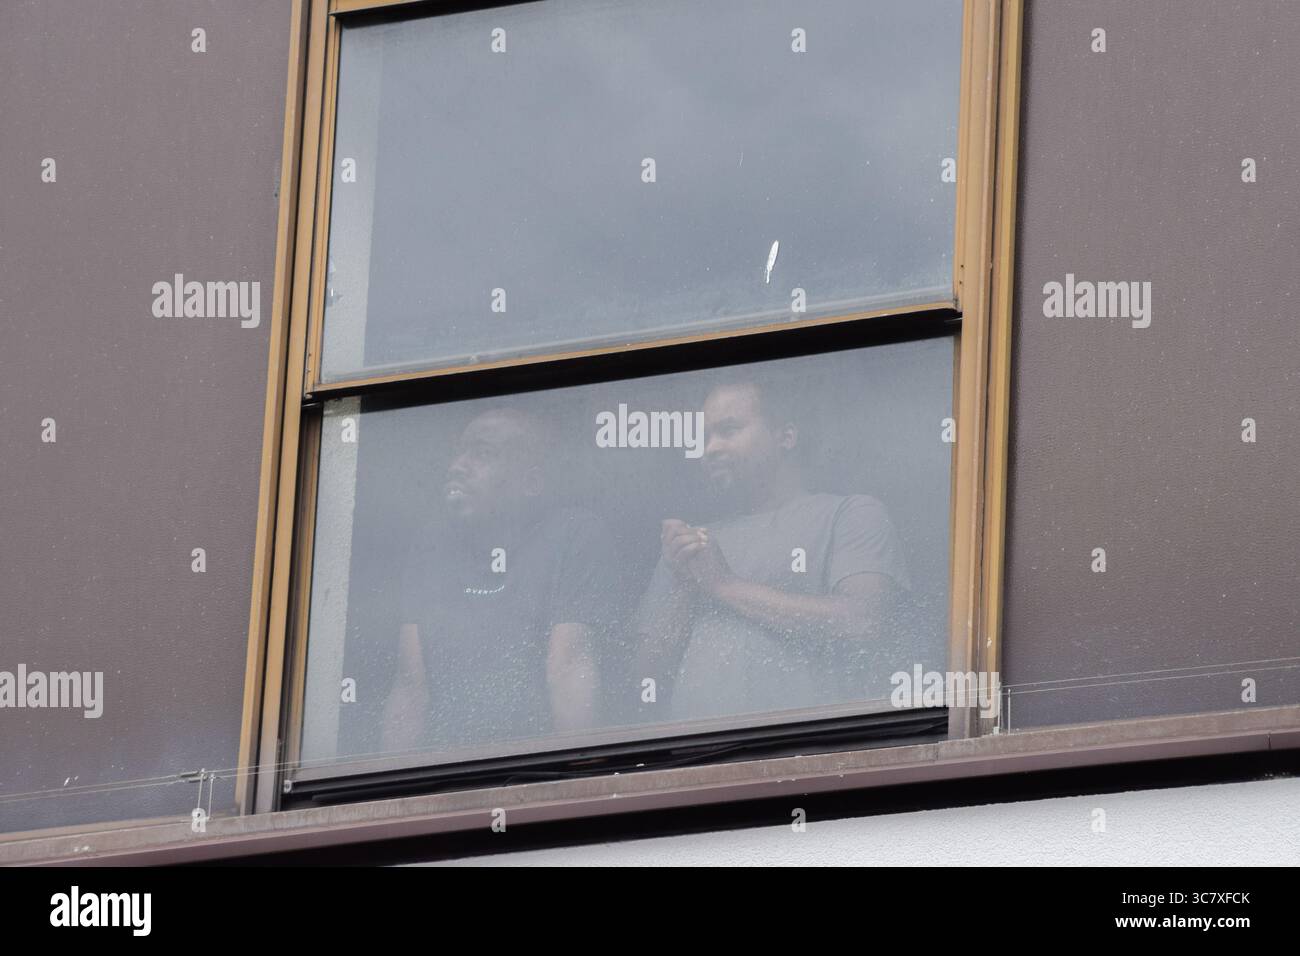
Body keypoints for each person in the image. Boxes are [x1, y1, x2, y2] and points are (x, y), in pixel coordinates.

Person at [634, 377, 911, 721]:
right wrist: (686, 586)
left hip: (811, 754)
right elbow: (645, 685)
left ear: (786, 436)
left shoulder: (849, 513)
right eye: (705, 437)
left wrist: (723, 585)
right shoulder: (691, 546)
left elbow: (864, 622)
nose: (711, 448)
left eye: (729, 430)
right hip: (696, 766)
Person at [381, 406, 618, 754]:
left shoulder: (573, 534)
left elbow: (570, 665)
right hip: (444, 770)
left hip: (540, 767)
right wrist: (393, 794)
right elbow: (410, 685)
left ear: (531, 482)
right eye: (459, 451)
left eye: (482, 454)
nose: (457, 466)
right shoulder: (432, 545)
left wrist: (579, 782)